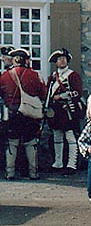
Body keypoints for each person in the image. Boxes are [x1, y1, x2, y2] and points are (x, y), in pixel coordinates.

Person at [0, 48, 46, 180]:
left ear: (14, 60)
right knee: (31, 143)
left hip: (12, 113)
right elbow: (42, 93)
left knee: (12, 143)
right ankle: (33, 173)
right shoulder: (35, 75)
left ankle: (10, 173)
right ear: (26, 60)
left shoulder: (4, 76)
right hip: (29, 113)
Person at [46, 48, 84, 175]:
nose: (62, 61)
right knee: (57, 136)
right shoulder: (52, 76)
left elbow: (77, 92)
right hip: (56, 111)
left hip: (68, 110)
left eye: (64, 59)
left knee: (70, 137)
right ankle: (58, 163)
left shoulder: (73, 75)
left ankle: (71, 164)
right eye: (59, 59)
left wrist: (61, 96)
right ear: (55, 62)